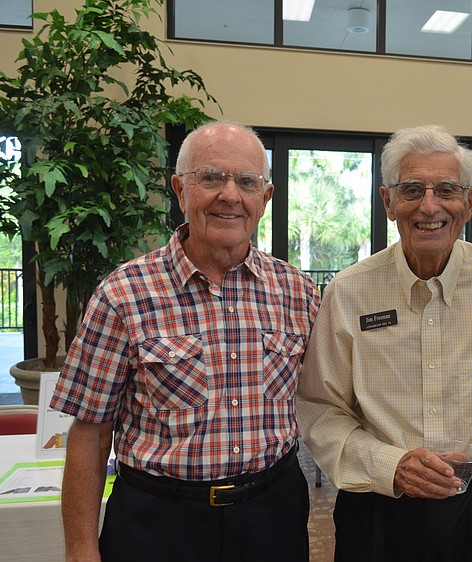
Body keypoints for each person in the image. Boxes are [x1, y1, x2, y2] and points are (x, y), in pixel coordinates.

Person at [50, 121, 320, 562]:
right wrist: (81, 550)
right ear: (180, 190)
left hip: (272, 518)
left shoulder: (299, 293)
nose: (230, 195)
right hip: (158, 525)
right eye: (211, 178)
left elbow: (328, 399)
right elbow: (90, 434)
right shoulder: (123, 294)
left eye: (247, 182)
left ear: (265, 198)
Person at [297, 124, 472, 562]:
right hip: (378, 510)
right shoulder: (348, 292)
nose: (429, 206)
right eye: (411, 189)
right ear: (388, 202)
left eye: (446, 190)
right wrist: (389, 466)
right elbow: (321, 410)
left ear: (469, 203)